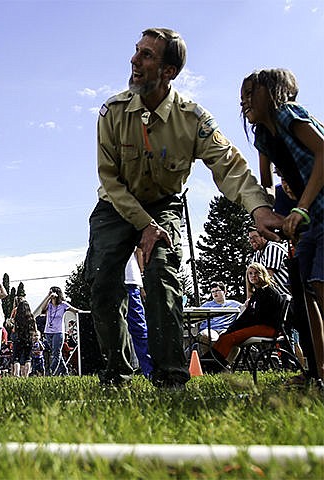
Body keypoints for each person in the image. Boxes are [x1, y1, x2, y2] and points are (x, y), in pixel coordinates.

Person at [84, 27, 280, 388]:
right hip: (116, 204)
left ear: (168, 71)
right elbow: (109, 179)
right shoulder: (111, 111)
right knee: (102, 279)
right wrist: (143, 224)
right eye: (136, 51)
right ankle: (118, 373)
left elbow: (229, 166)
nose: (134, 60)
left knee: (162, 273)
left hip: (164, 204)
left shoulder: (193, 119)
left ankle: (171, 376)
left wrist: (259, 209)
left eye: (147, 55)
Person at [240, 68, 324, 382]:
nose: (245, 100)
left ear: (274, 92)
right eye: (242, 96)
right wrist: (265, 218)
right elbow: (265, 185)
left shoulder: (289, 113)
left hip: (317, 210)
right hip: (310, 218)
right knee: (304, 292)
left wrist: (300, 207)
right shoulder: (263, 135)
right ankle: (318, 371)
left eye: (252, 92)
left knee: (321, 283)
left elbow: (323, 151)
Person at [208, 263, 288, 369]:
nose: (253, 276)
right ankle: (207, 363)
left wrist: (235, 329)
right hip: (258, 326)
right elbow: (246, 316)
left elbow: (257, 317)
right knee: (225, 336)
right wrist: (231, 328)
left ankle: (212, 368)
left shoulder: (269, 292)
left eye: (256, 273)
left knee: (230, 338)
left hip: (269, 328)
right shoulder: (257, 294)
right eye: (250, 273)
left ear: (263, 274)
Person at [42, 286, 84, 376]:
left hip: (58, 332)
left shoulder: (63, 305)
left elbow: (75, 310)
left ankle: (50, 372)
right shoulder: (48, 304)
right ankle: (65, 372)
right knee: (56, 352)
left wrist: (84, 312)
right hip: (48, 332)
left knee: (56, 353)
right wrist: (48, 297)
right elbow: (42, 309)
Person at [124, 248, 153, 377]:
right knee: (138, 327)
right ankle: (149, 369)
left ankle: (148, 369)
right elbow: (139, 250)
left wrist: (141, 277)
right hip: (129, 279)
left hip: (128, 279)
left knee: (137, 327)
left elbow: (139, 250)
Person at [196, 283, 242, 354]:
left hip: (225, 330)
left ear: (225, 292)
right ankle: (206, 362)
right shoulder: (206, 305)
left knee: (234, 340)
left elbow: (246, 307)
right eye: (213, 292)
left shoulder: (234, 304)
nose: (215, 293)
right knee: (206, 336)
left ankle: (225, 364)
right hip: (210, 329)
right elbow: (197, 315)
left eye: (217, 290)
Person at [247, 227, 290, 297]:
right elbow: (250, 279)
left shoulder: (273, 247)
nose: (252, 240)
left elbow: (267, 276)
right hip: (274, 297)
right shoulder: (257, 255)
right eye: (250, 238)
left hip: (287, 295)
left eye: (255, 237)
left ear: (264, 237)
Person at [12, 299, 37, 377]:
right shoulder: (31, 317)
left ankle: (16, 374)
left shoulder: (17, 318)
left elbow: (14, 329)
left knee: (16, 358)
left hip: (18, 338)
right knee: (28, 358)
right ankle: (26, 375)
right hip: (28, 339)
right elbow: (35, 329)